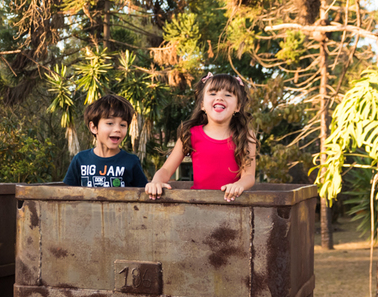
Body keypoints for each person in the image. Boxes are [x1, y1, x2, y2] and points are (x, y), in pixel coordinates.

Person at [145, 73, 258, 202]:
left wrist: (238, 186)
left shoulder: (246, 136)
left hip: (234, 204)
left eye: (228, 94)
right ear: (202, 105)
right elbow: (166, 169)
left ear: (238, 107)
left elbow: (249, 175)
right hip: (198, 205)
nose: (220, 98)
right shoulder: (190, 134)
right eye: (213, 93)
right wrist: (156, 182)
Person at [62, 94, 150, 188]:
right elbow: (67, 193)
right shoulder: (80, 160)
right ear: (94, 127)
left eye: (123, 125)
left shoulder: (131, 161)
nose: (117, 129)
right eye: (110, 123)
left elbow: (143, 194)